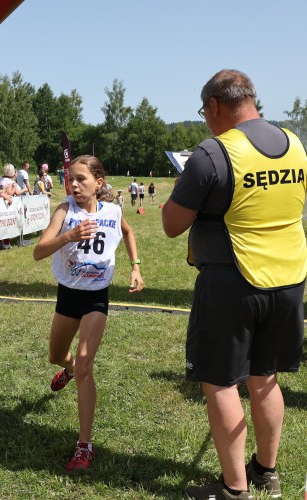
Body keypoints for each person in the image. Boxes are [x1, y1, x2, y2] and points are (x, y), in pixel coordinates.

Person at [162, 69, 306, 500]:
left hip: (233, 281)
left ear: (215, 107)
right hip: (290, 281)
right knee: (265, 377)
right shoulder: (296, 144)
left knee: (221, 383)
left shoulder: (211, 154)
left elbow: (171, 224)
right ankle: (266, 471)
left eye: (204, 112)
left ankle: (233, 489)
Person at [33, 155, 143, 472]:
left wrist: (135, 267)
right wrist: (68, 236)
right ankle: (66, 370)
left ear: (99, 182)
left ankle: (84, 444)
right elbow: (39, 252)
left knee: (85, 364)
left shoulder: (113, 210)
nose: (74, 184)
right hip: (68, 294)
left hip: (97, 296)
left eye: (81, 179)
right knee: (57, 356)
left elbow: (129, 233)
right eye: (71, 179)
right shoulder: (65, 211)